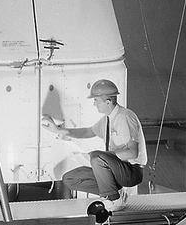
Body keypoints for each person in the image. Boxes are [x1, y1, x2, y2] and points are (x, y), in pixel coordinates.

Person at [46, 78, 147, 214]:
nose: (94, 104)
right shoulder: (107, 119)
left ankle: (113, 199)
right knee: (70, 179)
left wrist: (104, 157)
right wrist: (59, 131)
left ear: (108, 101)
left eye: (96, 100)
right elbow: (88, 131)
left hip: (131, 171)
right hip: (115, 170)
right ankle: (113, 191)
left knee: (96, 157)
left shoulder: (125, 117)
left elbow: (132, 153)